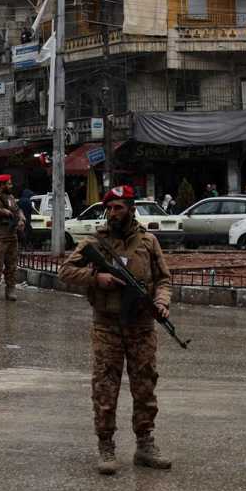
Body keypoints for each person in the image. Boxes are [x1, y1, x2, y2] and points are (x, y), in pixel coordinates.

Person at [58, 185, 174, 474]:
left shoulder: (148, 242)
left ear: (131, 209)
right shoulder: (94, 243)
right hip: (107, 325)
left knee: (145, 386)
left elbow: (164, 279)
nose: (112, 213)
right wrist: (96, 278)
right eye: (109, 208)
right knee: (105, 387)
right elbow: (65, 271)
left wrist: (161, 302)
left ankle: (145, 444)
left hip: (141, 326)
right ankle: (106, 446)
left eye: (118, 207)